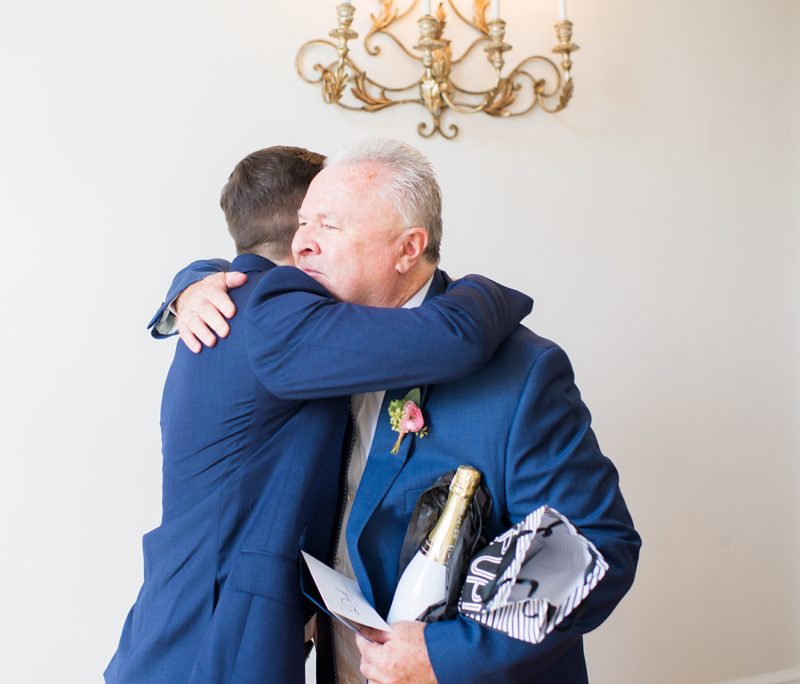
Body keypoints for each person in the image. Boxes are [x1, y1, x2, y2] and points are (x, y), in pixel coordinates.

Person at [166, 138, 641, 683]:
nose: (302, 246)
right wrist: (188, 285)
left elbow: (593, 544)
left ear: (407, 248)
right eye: (302, 223)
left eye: (329, 226)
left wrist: (448, 653)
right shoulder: (306, 349)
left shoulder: (522, 372)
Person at [104, 145, 533, 683]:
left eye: (330, 221)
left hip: (190, 624)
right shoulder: (273, 311)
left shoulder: (238, 299)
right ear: (297, 234)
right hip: (215, 639)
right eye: (315, 220)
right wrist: (489, 291)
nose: (317, 235)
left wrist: (190, 281)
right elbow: (455, 339)